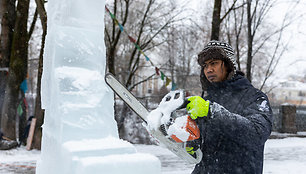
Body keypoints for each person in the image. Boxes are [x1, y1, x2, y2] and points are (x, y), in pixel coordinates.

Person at [185, 40, 273, 174]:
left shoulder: (254, 97)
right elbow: (203, 144)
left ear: (228, 65)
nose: (209, 69)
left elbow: (257, 133)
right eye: (205, 65)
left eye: (214, 63)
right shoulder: (206, 101)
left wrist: (212, 112)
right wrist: (191, 140)